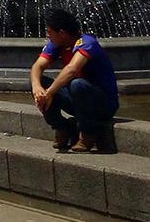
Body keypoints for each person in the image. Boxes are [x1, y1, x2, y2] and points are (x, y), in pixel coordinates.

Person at [31, 8, 119, 153]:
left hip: (103, 104)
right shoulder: (56, 45)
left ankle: (88, 134)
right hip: (78, 101)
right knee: (39, 81)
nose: (47, 35)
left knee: (77, 84)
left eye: (49, 31)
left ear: (62, 33)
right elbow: (37, 66)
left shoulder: (87, 43)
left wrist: (49, 93)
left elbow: (72, 69)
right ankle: (62, 128)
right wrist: (37, 88)